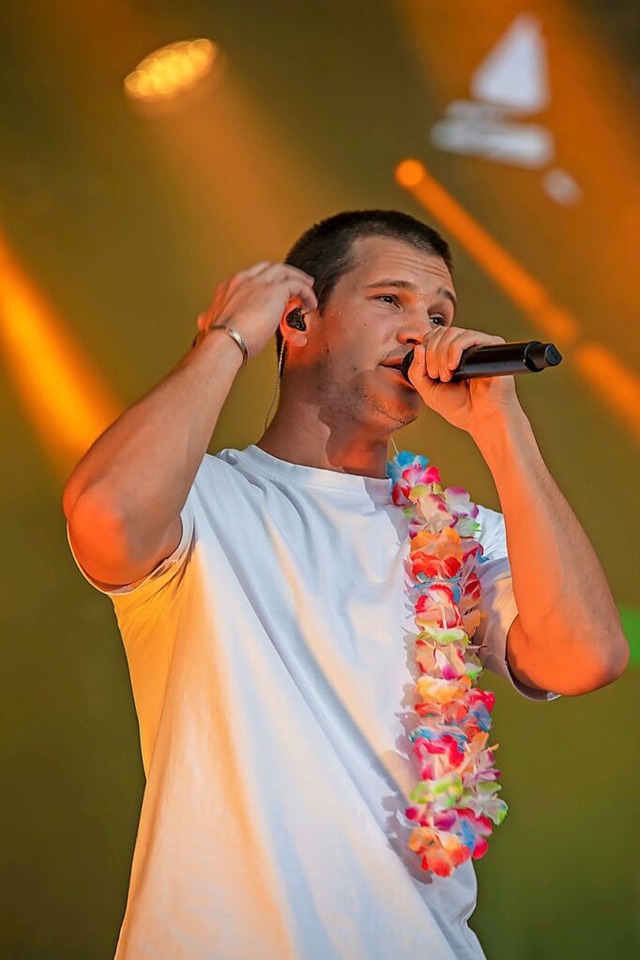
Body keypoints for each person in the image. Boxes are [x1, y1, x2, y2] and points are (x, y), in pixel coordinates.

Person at [63, 210, 628, 959]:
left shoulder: (461, 531)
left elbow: (584, 656)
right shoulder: (205, 500)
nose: (421, 330)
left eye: (439, 314)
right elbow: (106, 516)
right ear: (298, 318)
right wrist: (228, 339)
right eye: (391, 300)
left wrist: (502, 425)